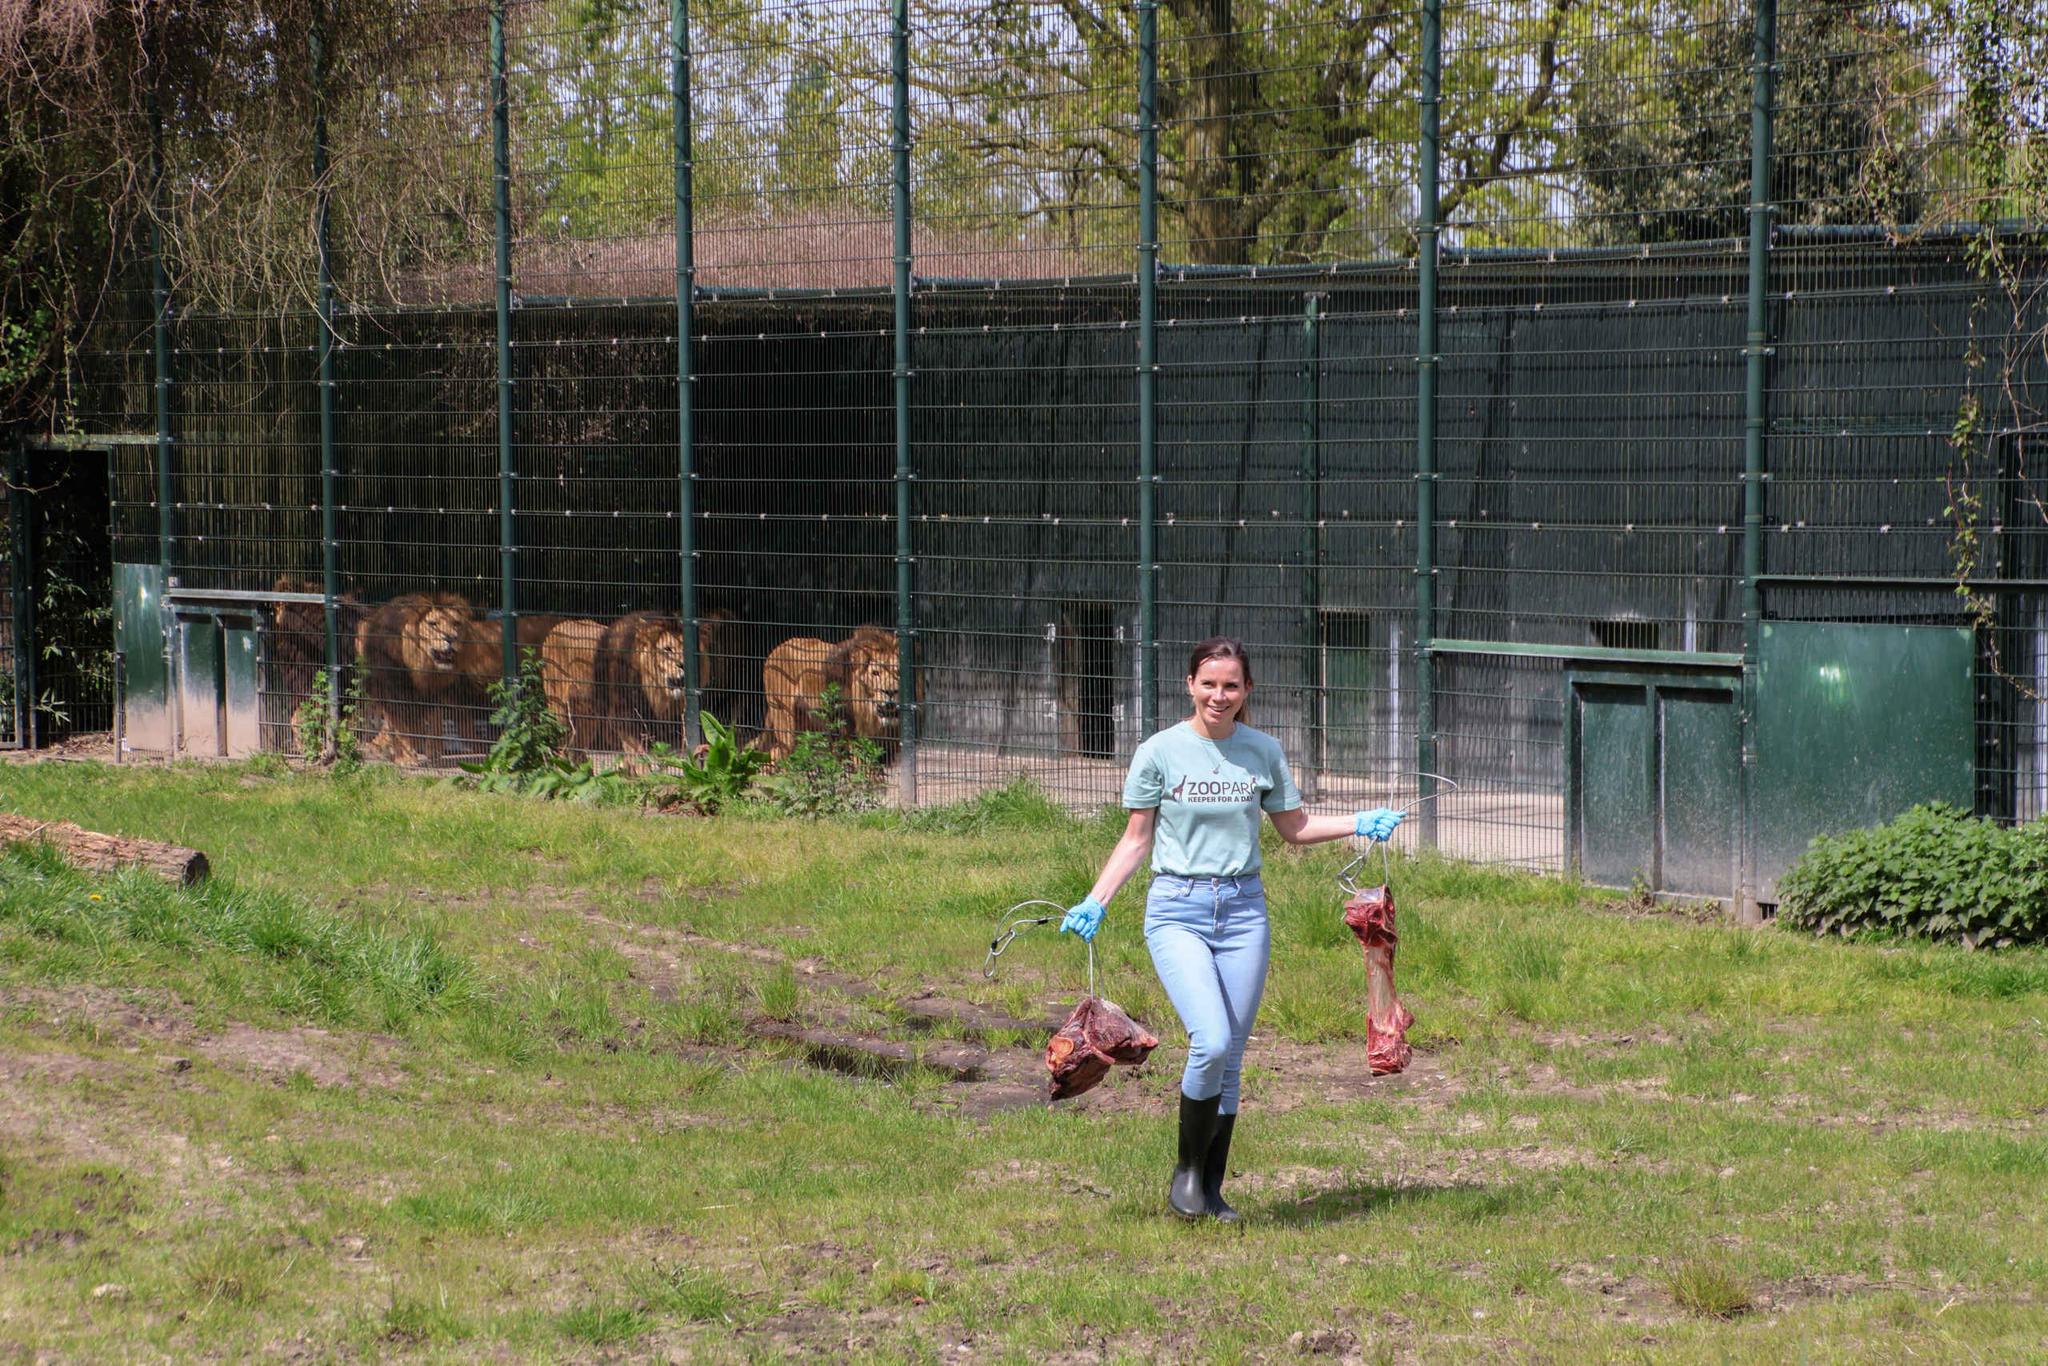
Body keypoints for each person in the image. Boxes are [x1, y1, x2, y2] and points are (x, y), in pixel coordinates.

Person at [1060, 636, 1402, 1222]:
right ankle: (1186, 1176)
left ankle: (1212, 1190)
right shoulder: (1160, 752)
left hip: (1244, 912)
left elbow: (1293, 827)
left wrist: (1359, 823)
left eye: (1232, 686)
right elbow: (1136, 839)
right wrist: (1097, 900)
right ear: (1190, 685)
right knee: (1211, 1041)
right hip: (1177, 909)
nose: (1220, 696)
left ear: (1247, 691)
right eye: (1209, 684)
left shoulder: (1262, 751)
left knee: (1234, 1055)